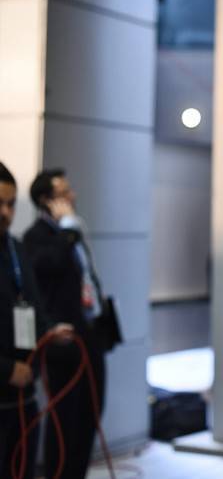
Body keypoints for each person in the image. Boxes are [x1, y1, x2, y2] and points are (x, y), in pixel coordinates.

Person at [23, 169, 106, 479]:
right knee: (64, 418)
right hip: (63, 340)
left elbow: (87, 276)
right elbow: (50, 265)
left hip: (90, 331)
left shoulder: (72, 231)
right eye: (63, 193)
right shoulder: (37, 236)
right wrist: (68, 230)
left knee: (90, 413)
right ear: (47, 201)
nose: (72, 196)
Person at [0, 162, 72, 479]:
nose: (5, 212)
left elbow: (33, 307)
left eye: (10, 204)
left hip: (24, 397)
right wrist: (6, 369)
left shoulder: (15, 249)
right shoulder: (34, 240)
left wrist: (49, 331)